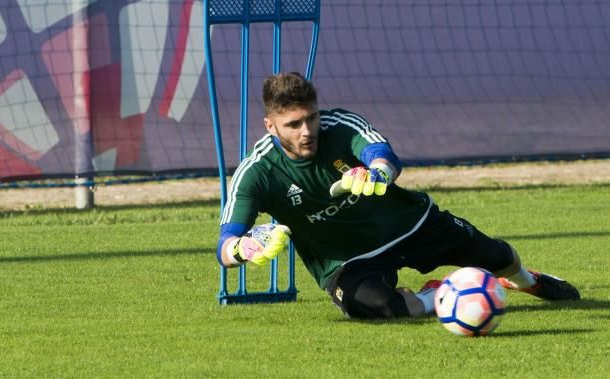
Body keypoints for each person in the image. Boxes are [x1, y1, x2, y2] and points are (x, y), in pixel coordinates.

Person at [216, 72, 581, 319]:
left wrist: (377, 173)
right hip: (350, 261)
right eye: (293, 125)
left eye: (310, 118)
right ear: (270, 126)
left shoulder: (340, 125)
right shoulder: (257, 172)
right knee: (373, 308)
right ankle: (443, 294)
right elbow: (224, 245)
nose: (307, 130)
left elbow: (382, 152)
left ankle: (526, 282)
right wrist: (242, 249)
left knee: (496, 254)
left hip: (409, 225)